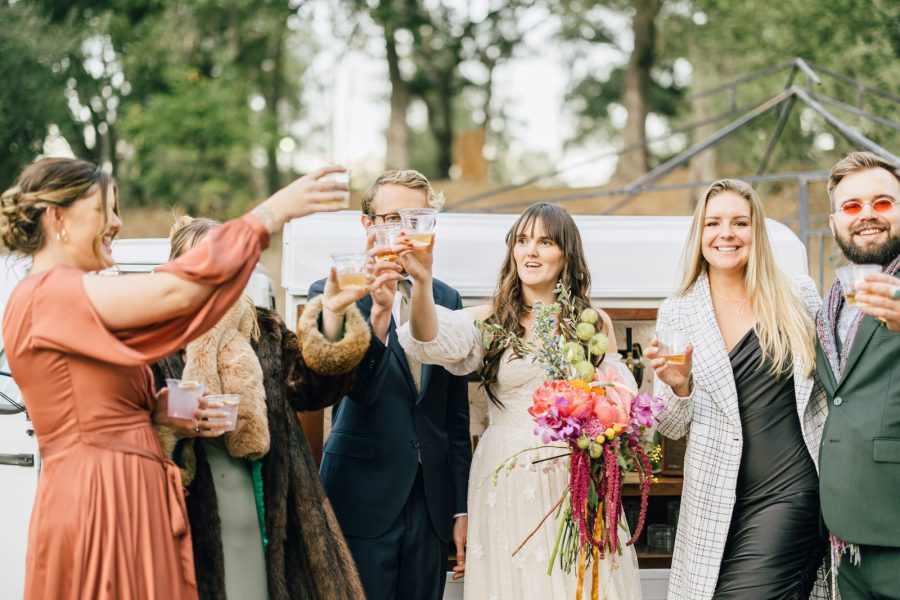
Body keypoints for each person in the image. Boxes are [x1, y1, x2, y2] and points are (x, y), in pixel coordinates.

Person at [0, 156, 346, 599]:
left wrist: (158, 413)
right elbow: (175, 292)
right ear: (57, 218)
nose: (118, 224)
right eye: (106, 211)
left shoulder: (64, 297)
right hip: (100, 500)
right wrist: (272, 213)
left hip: (128, 494)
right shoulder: (51, 293)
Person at [398, 202, 642, 599]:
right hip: (505, 476)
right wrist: (422, 282)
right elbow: (427, 338)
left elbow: (619, 398)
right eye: (523, 240)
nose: (531, 251)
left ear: (566, 254)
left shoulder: (593, 323)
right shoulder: (490, 320)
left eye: (545, 241)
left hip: (575, 477)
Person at [152, 216, 377, 599]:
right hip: (186, 513)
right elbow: (132, 421)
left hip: (269, 511)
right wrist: (171, 424)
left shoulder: (264, 329)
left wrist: (334, 312)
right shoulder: (155, 336)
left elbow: (313, 389)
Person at [644, 179, 829, 599]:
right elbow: (671, 427)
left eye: (739, 223)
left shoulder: (797, 294)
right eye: (713, 223)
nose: (726, 233)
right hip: (715, 500)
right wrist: (679, 386)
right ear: (700, 234)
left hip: (793, 490)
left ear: (756, 231)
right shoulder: (678, 311)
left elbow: (834, 381)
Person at [308, 170, 471, 600]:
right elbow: (344, 390)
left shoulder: (448, 299)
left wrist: (460, 506)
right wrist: (378, 319)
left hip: (432, 502)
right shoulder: (333, 293)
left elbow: (454, 414)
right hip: (360, 494)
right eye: (391, 218)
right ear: (368, 225)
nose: (402, 230)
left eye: (416, 217)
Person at [816, 151, 900, 600]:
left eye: (883, 203)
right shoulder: (833, 297)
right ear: (834, 223)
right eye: (852, 206)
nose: (867, 215)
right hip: (847, 537)